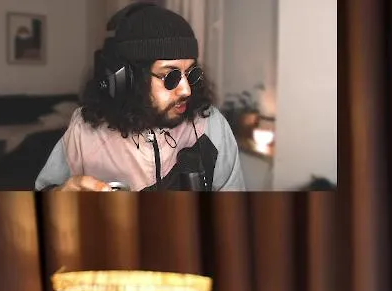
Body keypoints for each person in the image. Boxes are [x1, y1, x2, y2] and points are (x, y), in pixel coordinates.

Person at [34, 1, 245, 192]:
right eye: (170, 77)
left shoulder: (211, 125)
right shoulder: (84, 130)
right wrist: (60, 196)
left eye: (191, 73)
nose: (186, 90)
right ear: (128, 80)